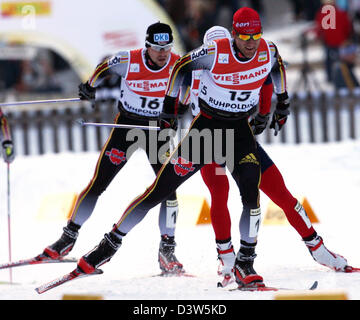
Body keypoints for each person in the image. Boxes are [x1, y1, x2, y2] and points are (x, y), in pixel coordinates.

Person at [70, 7, 291, 288]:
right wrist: (170, 108)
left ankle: (245, 264)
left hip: (239, 133)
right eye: (245, 36)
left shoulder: (266, 50)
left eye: (256, 35)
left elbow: (278, 65)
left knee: (251, 194)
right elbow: (180, 67)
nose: (251, 42)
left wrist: (283, 103)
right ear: (234, 34)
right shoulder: (214, 53)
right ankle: (106, 247)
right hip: (205, 134)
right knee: (158, 191)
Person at [186, 26, 348, 282]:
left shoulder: (239, 63)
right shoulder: (203, 69)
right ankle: (229, 260)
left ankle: (315, 249)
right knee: (224, 192)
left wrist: (263, 115)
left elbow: (266, 84)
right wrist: (262, 114)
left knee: (269, 191)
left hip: (235, 141)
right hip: (213, 143)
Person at [39, 22, 185, 274]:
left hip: (157, 131)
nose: (163, 53)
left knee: (168, 189)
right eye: (157, 48)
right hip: (127, 127)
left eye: (167, 48)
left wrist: (176, 113)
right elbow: (103, 67)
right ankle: (68, 237)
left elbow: (188, 92)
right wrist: (89, 86)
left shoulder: (177, 64)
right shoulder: (128, 60)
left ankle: (167, 250)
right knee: (99, 182)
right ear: (147, 46)